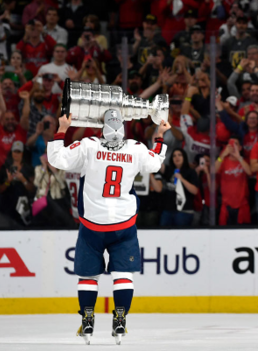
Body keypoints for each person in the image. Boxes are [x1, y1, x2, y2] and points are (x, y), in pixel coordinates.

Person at [48, 110, 171, 344]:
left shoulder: (89, 145)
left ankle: (87, 318)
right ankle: (121, 318)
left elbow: (57, 159)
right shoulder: (135, 148)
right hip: (123, 225)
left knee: (88, 276)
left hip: (92, 224)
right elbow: (155, 164)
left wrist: (62, 129)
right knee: (123, 274)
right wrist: (160, 136)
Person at [160, 148, 199, 226]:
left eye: (179, 155)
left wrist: (182, 179)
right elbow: (157, 163)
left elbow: (195, 191)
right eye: (174, 156)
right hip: (168, 210)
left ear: (184, 157)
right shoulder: (168, 170)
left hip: (184, 211)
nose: (177, 157)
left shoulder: (190, 172)